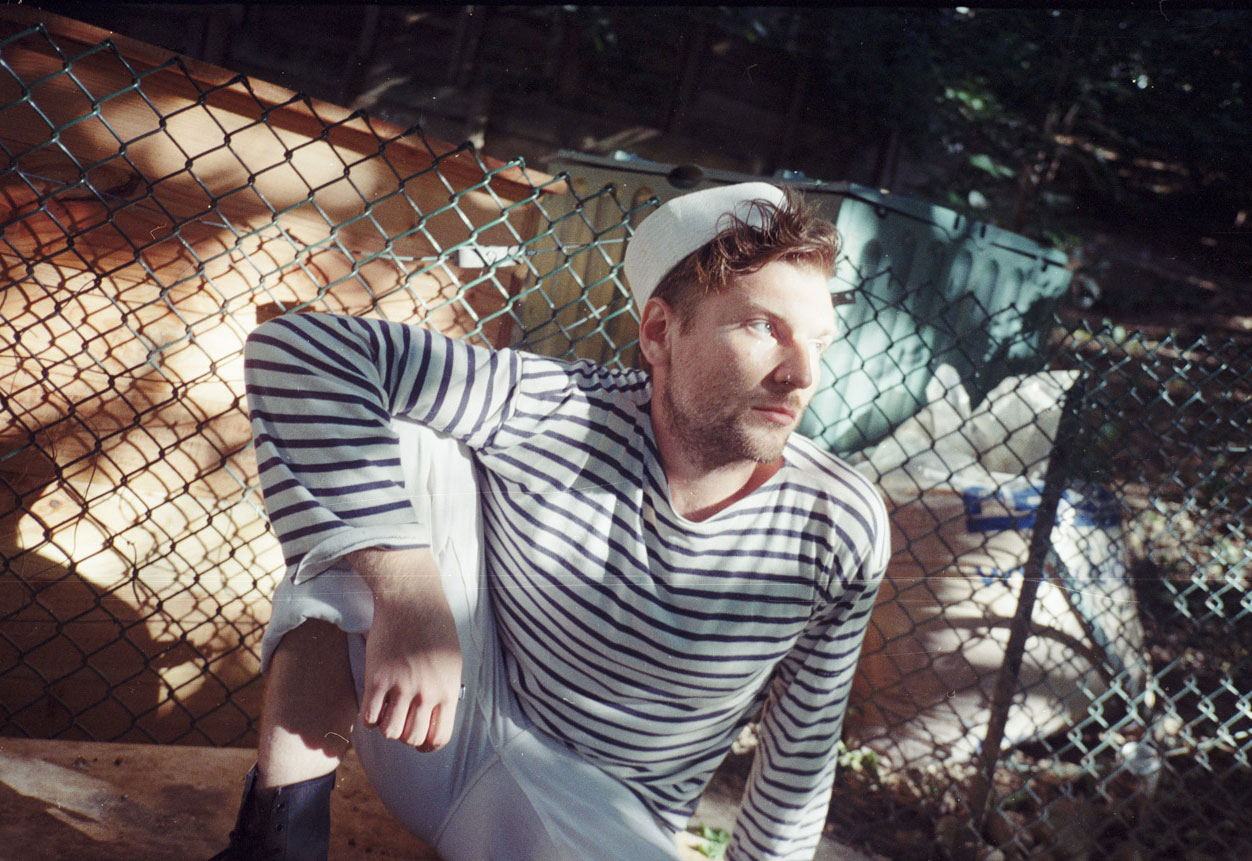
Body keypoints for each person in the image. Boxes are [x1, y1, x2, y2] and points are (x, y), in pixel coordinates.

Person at [212, 182, 890, 860]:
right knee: (393, 443)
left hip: (604, 816)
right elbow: (296, 349)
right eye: (765, 327)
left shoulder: (837, 524)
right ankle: (277, 838)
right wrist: (410, 591)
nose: (802, 373)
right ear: (659, 332)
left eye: (819, 342)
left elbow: (799, 757)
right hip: (445, 729)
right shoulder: (560, 408)